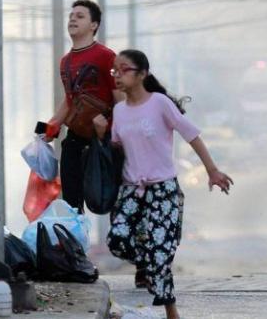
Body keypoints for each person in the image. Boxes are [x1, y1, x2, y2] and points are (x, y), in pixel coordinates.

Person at [93, 49, 233, 319]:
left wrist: (212, 171)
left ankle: (171, 311)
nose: (117, 75)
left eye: (124, 70)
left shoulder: (159, 104)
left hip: (163, 190)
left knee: (160, 254)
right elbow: (117, 150)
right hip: (131, 191)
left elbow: (191, 134)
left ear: (142, 74)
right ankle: (148, 264)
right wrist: (101, 135)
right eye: (114, 71)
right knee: (118, 240)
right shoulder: (119, 111)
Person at [43, 0, 122, 213]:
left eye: (80, 16)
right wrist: (47, 128)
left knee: (110, 200)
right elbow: (70, 101)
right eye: (71, 16)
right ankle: (74, 244)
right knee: (71, 206)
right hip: (75, 139)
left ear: (94, 25)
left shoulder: (106, 56)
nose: (72, 19)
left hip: (104, 141)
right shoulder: (65, 62)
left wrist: (112, 132)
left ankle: (121, 245)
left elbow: (120, 99)